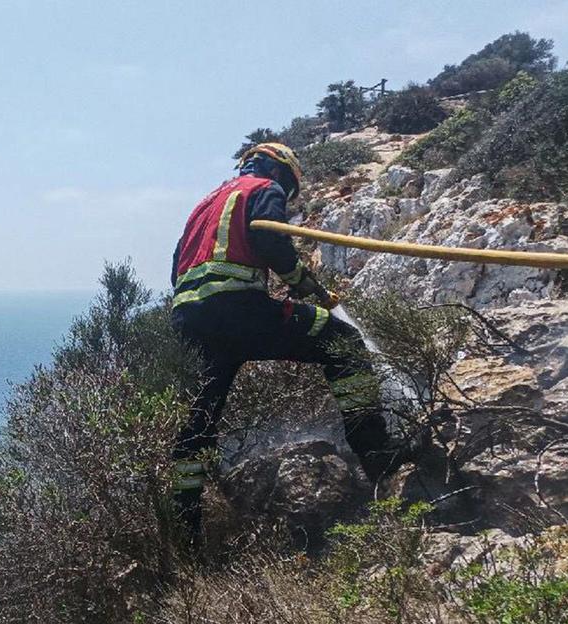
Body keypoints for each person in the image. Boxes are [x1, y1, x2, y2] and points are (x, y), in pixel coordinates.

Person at [169, 142, 401, 552]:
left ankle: (183, 527)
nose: (287, 196)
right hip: (238, 311)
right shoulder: (264, 188)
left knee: (200, 419)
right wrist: (302, 283)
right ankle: (376, 454)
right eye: (290, 190)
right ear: (280, 172)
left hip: (190, 320)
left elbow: (177, 268)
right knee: (343, 340)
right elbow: (270, 241)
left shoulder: (203, 206)